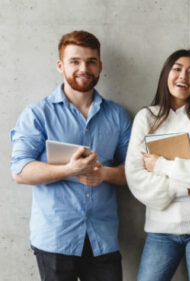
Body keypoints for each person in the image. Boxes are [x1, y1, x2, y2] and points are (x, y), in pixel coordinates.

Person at [9, 30, 131, 281]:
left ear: (100, 66)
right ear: (60, 65)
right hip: (55, 237)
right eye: (74, 61)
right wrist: (70, 170)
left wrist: (105, 173)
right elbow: (19, 171)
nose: (83, 68)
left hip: (103, 238)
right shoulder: (38, 114)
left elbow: (136, 170)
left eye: (90, 61)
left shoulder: (117, 115)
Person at [125, 49, 190, 281]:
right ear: (166, 74)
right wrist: (185, 188)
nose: (183, 76)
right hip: (161, 229)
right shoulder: (146, 117)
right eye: (177, 69)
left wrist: (161, 165)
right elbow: (135, 177)